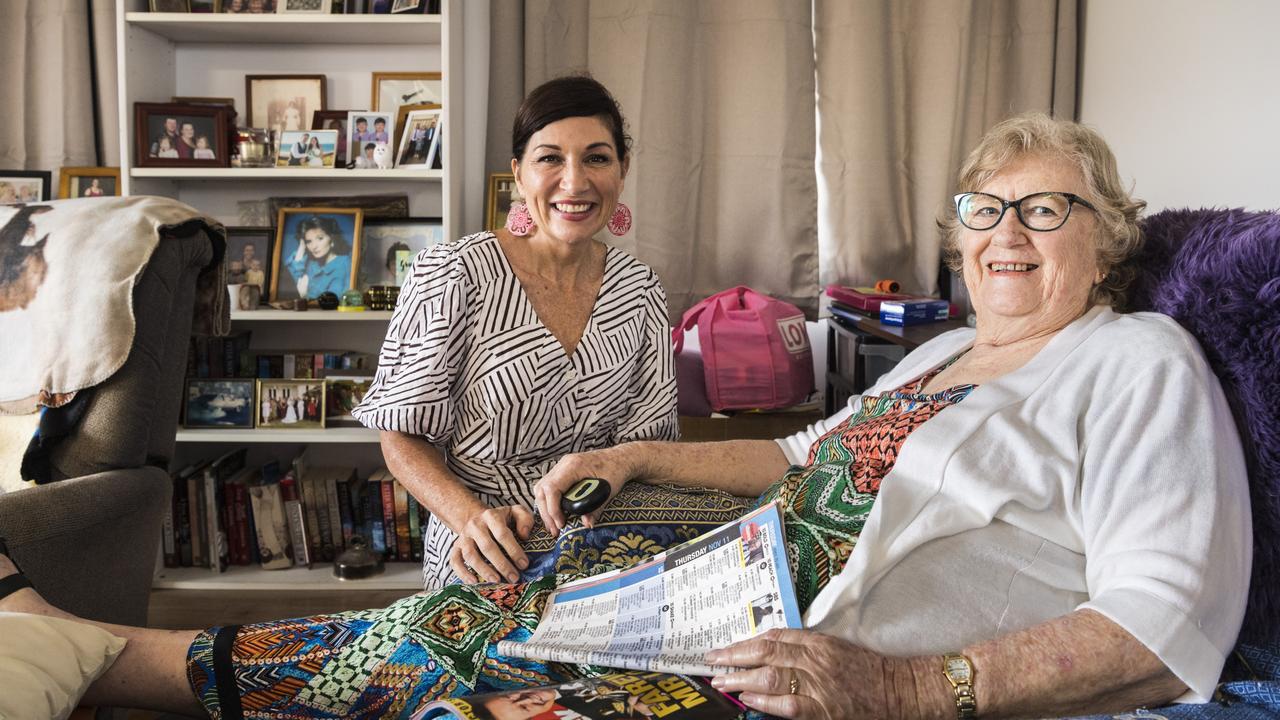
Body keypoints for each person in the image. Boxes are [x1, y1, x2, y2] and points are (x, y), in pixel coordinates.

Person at [0, 111, 1250, 720]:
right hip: (709, 584)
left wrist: (906, 690)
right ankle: (102, 653)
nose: (1004, 236)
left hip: (812, 648)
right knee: (451, 639)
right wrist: (627, 458)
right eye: (984, 210)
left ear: (1109, 240)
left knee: (480, 689)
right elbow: (797, 453)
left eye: (1045, 210)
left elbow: (1161, 618)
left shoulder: (1136, 362)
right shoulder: (937, 365)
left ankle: (95, 657)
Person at [350, 74, 677, 589]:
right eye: (550, 158)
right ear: (519, 174)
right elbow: (399, 435)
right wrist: (470, 518)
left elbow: (648, 446)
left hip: (603, 545)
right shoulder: (453, 273)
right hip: (484, 549)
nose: (575, 182)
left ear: (622, 170)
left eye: (596, 158)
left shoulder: (640, 289)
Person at [283, 214, 352, 299]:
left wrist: (304, 296)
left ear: (332, 239)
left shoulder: (344, 265)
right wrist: (301, 250)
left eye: (320, 238)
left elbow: (332, 301)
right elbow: (289, 283)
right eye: (309, 241)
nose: (314, 246)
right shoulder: (311, 263)